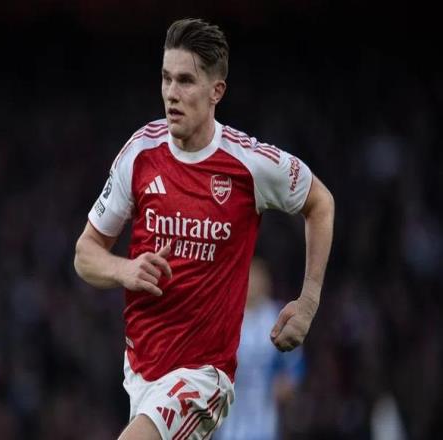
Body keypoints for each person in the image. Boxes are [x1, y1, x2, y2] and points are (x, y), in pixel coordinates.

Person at [74, 18, 334, 440]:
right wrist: (124, 269)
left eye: (185, 81)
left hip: (203, 378)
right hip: (141, 373)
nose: (171, 93)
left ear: (217, 91)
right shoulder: (141, 152)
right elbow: (85, 253)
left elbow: (320, 203)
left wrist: (308, 301)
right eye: (166, 78)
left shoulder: (248, 164)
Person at [215, 257, 306, 440]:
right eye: (249, 277)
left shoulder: (277, 316)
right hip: (229, 421)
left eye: (258, 278)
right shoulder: (225, 316)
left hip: (265, 419)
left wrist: (288, 384)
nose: (254, 284)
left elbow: (296, 362)